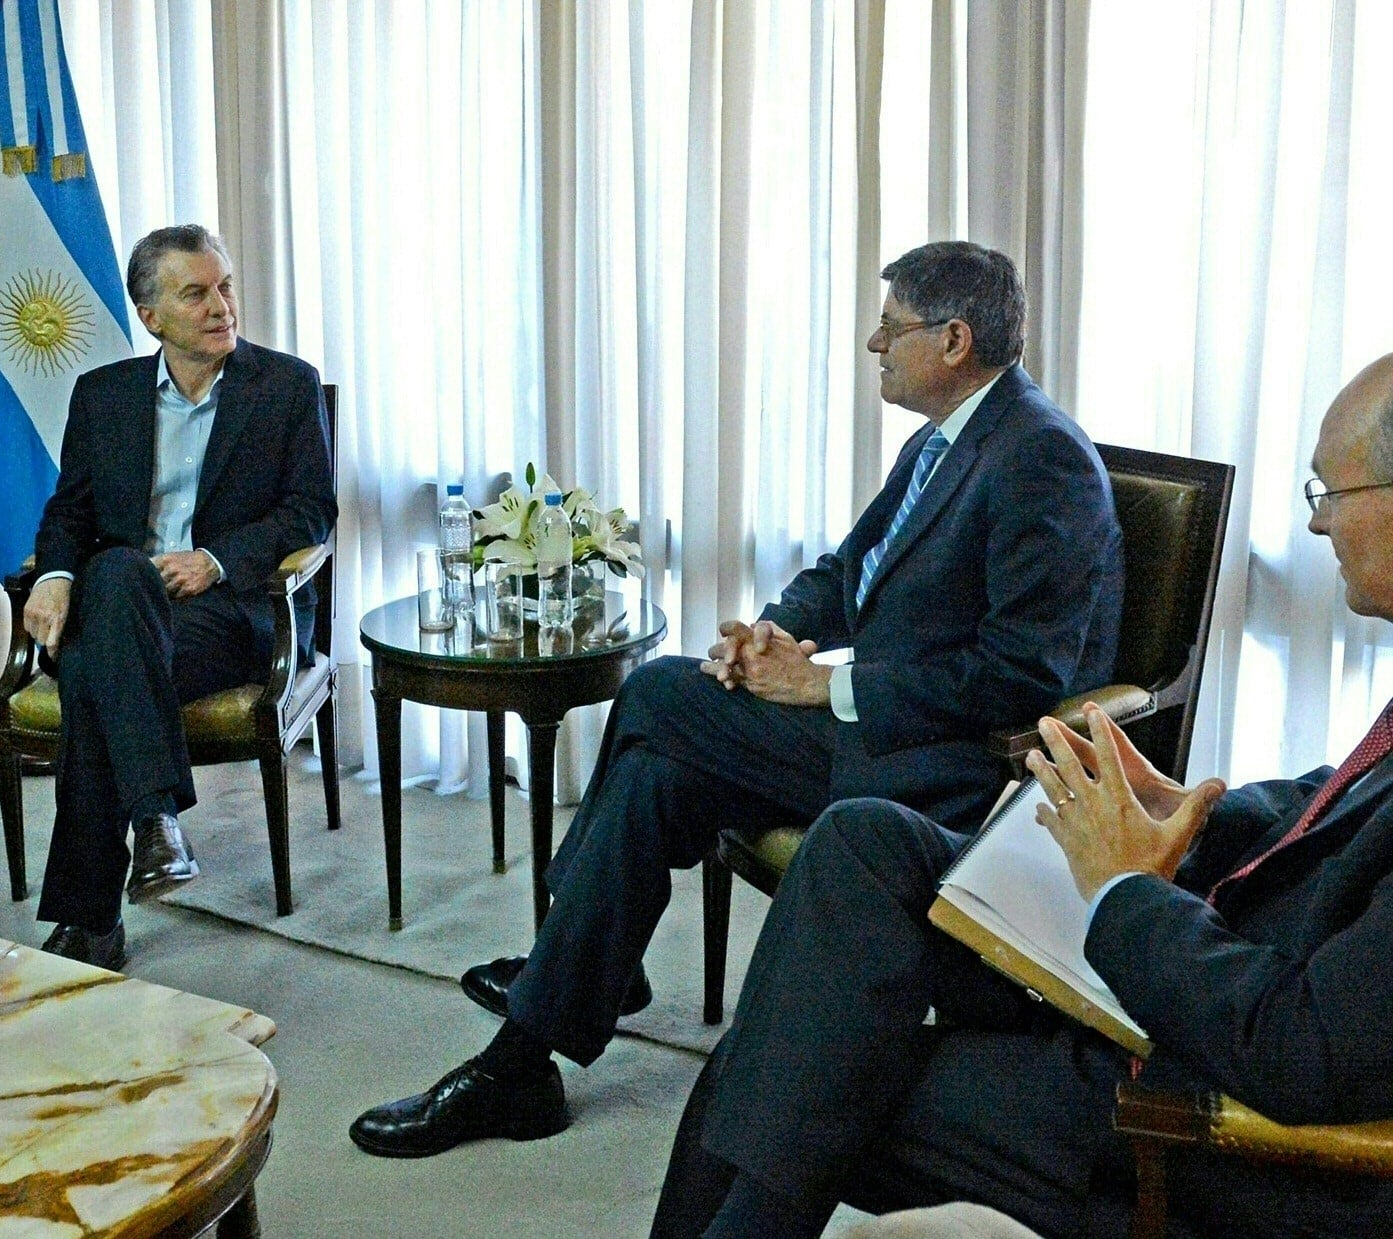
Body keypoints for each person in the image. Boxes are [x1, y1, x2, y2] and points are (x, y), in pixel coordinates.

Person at [351, 241, 1125, 1157]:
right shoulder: (946, 438)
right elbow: (848, 574)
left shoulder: (1040, 459)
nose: (875, 343)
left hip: (932, 768)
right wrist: (770, 633)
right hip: (859, 741)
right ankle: (523, 1062)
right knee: (655, 777)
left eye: (891, 326)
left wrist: (823, 683)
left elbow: (1023, 676)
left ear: (953, 339)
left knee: (657, 691)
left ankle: (571, 949)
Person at [650, 354, 1393, 1237]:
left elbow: (1299, 1052)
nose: (1316, 526)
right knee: (865, 843)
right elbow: (1331, 804)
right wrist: (1185, 808)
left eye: (1328, 492)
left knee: (781, 1070)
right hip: (1188, 980)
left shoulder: (1038, 455)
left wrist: (1129, 890)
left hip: (1212, 1115)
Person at [23, 225, 334, 971]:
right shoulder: (102, 396)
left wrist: (215, 560)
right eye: (196, 293)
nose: (221, 305)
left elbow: (309, 514)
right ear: (151, 316)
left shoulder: (283, 386)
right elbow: (70, 510)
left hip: (230, 612)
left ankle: (88, 915)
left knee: (99, 671)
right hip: (128, 600)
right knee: (119, 575)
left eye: (224, 285)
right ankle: (155, 819)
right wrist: (54, 575)